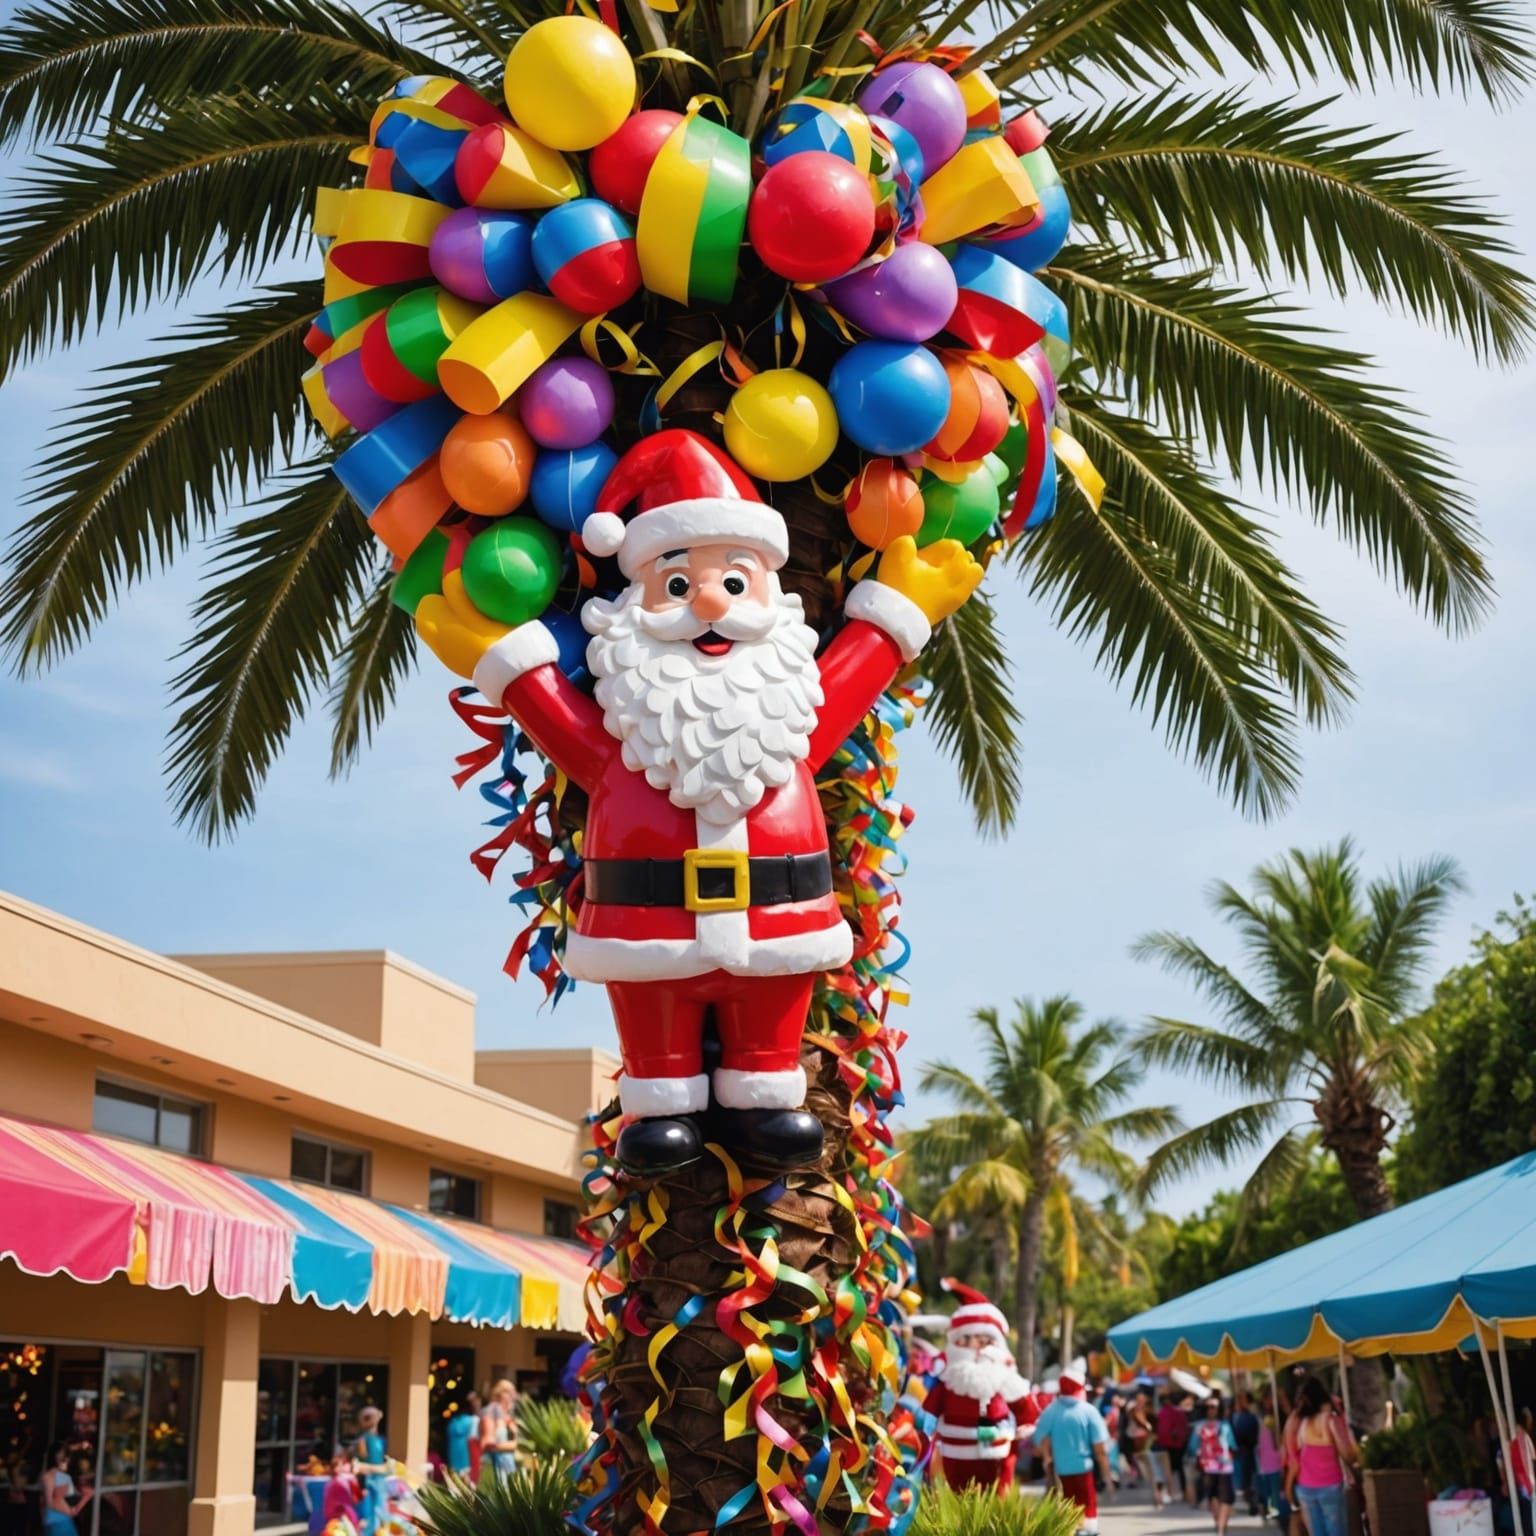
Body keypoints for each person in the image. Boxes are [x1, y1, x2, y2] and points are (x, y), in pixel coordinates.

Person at [422, 427, 983, 1175]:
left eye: (735, 582)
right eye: (679, 586)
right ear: (634, 605)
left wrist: (898, 615)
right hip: (646, 930)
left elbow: (847, 686)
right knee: (655, 1027)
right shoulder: (626, 739)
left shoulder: (787, 718)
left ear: (770, 595)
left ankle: (764, 1089)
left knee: (769, 1021)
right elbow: (564, 729)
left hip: (778, 924)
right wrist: (505, 664)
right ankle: (660, 1099)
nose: (710, 602)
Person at [921, 1282, 1037, 1491]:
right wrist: (923, 1429)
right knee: (958, 1495)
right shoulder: (948, 1378)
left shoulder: (1003, 1374)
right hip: (955, 1452)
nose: (975, 1346)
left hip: (997, 1449)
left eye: (983, 1340)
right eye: (966, 1339)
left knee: (997, 1496)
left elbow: (1024, 1405)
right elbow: (929, 1411)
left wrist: (1027, 1424)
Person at [1034, 1369, 1111, 1536]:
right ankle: (1089, 1529)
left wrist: (1047, 1458)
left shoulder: (1051, 1411)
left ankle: (1072, 1529)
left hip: (1060, 1469)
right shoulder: (1089, 1411)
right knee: (1087, 1501)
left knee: (1067, 1502)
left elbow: (1040, 1439)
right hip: (1083, 1467)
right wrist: (1107, 1476)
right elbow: (1100, 1448)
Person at [1283, 1374, 1358, 1536]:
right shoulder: (1330, 1421)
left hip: (1305, 1487)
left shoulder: (1300, 1423)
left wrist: (1288, 1488)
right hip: (1330, 1485)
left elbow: (1295, 1460)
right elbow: (1347, 1455)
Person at [1194, 1394, 1237, 1534]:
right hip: (1211, 1466)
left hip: (1221, 1466)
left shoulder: (1219, 1425)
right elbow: (1233, 1444)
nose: (1211, 1410)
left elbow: (1192, 1447)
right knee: (1215, 1496)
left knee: (1222, 1497)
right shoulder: (1221, 1426)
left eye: (1213, 1407)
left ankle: (1220, 1526)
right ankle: (1220, 1524)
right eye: (1209, 1407)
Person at [352, 1407, 389, 1535]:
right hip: (369, 1481)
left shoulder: (380, 1439)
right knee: (369, 1515)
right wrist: (377, 1469)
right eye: (366, 1418)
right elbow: (359, 1463)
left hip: (380, 1480)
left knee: (380, 1513)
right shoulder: (362, 1439)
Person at [40, 1443, 90, 1535]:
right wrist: (71, 1510)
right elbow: (49, 1503)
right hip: (55, 1520)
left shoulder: (65, 1477)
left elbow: (70, 1497)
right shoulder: (49, 1476)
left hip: (63, 1519)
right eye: (61, 1454)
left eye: (65, 1455)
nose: (65, 1459)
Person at [1126, 1389, 1162, 1504]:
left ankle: (1157, 1494)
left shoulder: (1146, 1412)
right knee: (1150, 1469)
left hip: (1148, 1444)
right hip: (1142, 1444)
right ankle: (1157, 1494)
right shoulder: (1135, 1411)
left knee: (1152, 1470)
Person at [1255, 1396, 1287, 1525]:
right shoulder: (1264, 1427)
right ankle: (1272, 1512)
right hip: (1267, 1464)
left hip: (1273, 1464)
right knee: (1270, 1492)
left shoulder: (1275, 1427)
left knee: (1272, 1492)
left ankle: (1273, 1512)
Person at [1155, 1390, 1189, 1508]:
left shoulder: (1163, 1412)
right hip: (1177, 1446)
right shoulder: (1179, 1413)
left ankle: (1163, 1494)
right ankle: (1181, 1493)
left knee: (1165, 1471)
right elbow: (1184, 1430)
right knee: (1179, 1470)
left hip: (1166, 1445)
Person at [480, 1379, 520, 1481]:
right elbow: (488, 1444)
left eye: (513, 1393)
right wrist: (515, 1445)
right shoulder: (490, 1411)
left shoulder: (508, 1416)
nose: (513, 1397)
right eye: (509, 1393)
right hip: (495, 1466)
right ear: (500, 1394)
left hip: (508, 1466)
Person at [1231, 1390, 1261, 1514]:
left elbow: (1253, 1436)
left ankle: (1251, 1502)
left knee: (1247, 1480)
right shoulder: (1233, 1417)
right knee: (1244, 1480)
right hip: (1239, 1452)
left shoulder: (1250, 1417)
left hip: (1246, 1451)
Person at [323, 1452, 362, 1535]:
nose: (346, 1466)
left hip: (337, 1517)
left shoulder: (339, 1481)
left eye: (347, 1463)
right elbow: (355, 1499)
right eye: (342, 1465)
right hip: (339, 1517)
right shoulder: (339, 1482)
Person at [446, 1391, 481, 1481]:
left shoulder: (452, 1422)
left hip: (454, 1461)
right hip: (468, 1462)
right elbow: (476, 1442)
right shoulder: (474, 1420)